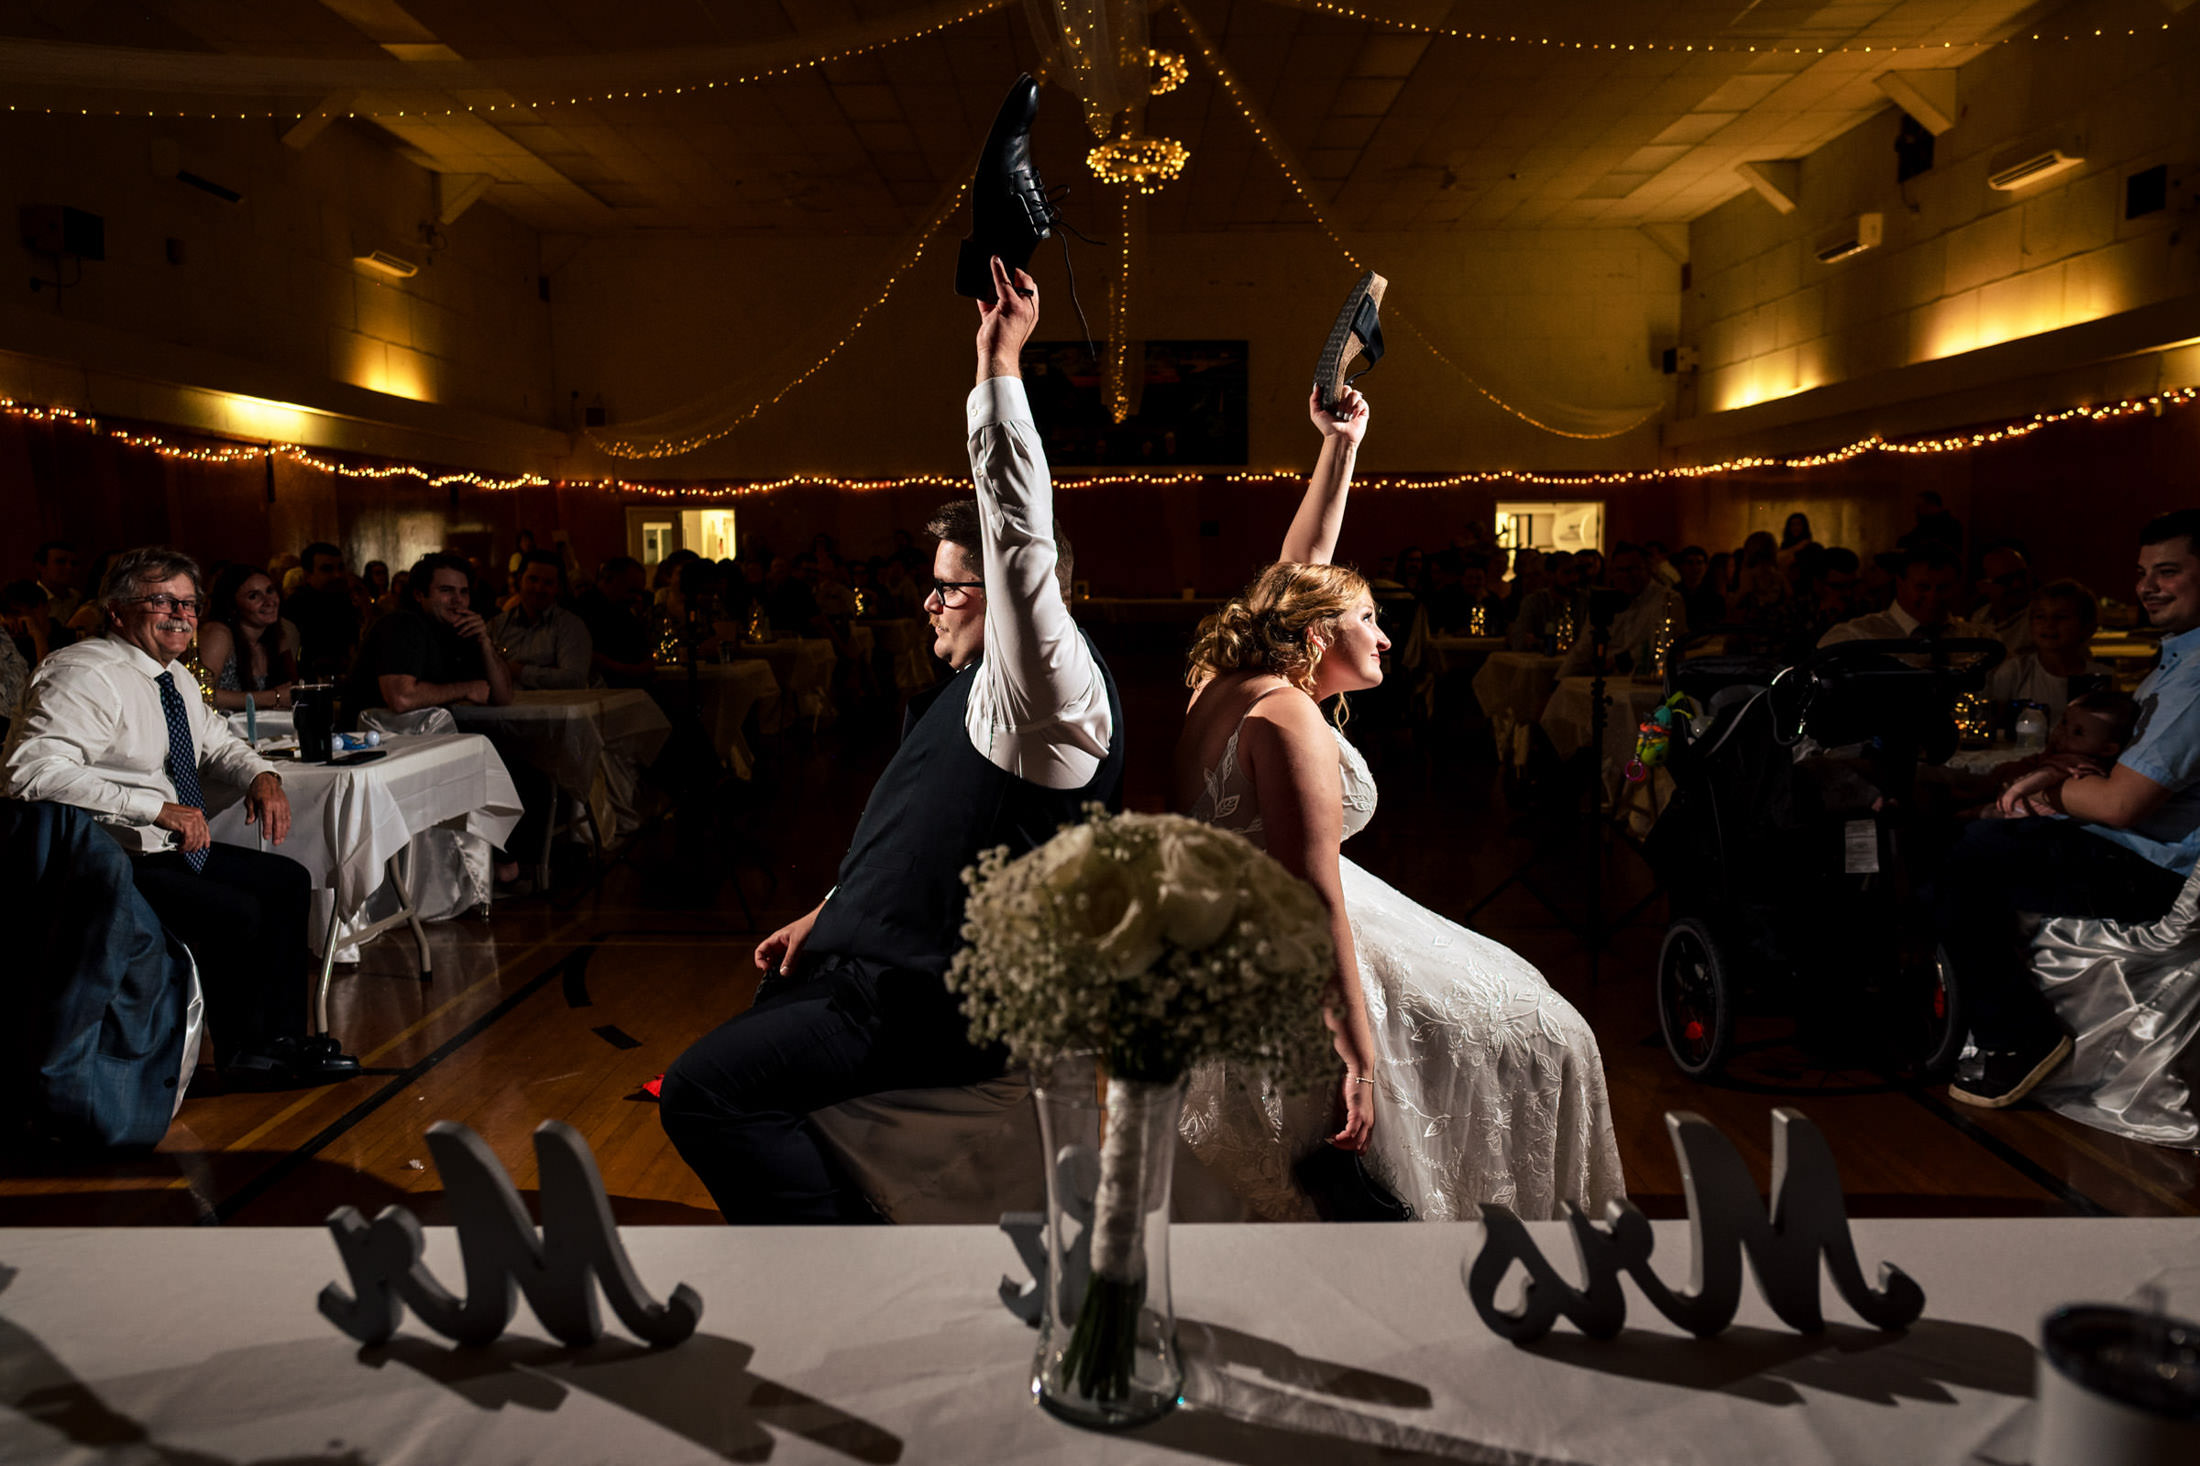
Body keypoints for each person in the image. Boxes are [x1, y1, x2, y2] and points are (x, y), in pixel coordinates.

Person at [657, 257, 1125, 1224]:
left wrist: (999, 364)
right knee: (754, 1048)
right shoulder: (966, 695)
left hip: (932, 1006)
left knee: (704, 1092)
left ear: (1011, 605)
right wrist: (828, 912)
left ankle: (849, 1264)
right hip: (871, 966)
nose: (931, 599)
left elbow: (1021, 539)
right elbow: (917, 836)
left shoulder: (1049, 697)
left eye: (955, 583)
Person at [1175, 386, 1625, 1222]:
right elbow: (1313, 896)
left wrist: (1340, 447)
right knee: (1546, 1034)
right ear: (1314, 635)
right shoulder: (1289, 717)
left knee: (1529, 1020)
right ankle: (1513, 1231)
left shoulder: (1225, 684)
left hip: (1226, 925)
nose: (1384, 636)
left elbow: (1297, 564)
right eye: (1369, 618)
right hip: (1294, 935)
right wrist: (1356, 1049)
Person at [1, 546, 358, 1088]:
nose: (181, 615)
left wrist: (262, 776)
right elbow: (29, 773)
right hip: (104, 859)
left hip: (158, 848)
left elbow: (218, 741)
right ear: (117, 611)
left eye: (189, 605)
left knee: (287, 879)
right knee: (236, 910)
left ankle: (273, 1044)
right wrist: (155, 807)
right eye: (161, 601)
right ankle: (244, 1053)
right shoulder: (84, 674)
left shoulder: (175, 677)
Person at [1935, 510, 2200, 1108]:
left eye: (2168, 572)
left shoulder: (2197, 677)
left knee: (1965, 856)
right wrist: (2061, 774)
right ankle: (1965, 1018)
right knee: (1967, 831)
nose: (2147, 586)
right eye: (2141, 572)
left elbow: (2123, 805)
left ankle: (2016, 1036)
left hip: (2154, 872)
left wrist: (2047, 792)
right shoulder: (2178, 659)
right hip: (2133, 847)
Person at [344, 552, 516, 722]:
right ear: (419, 595)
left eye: (464, 592)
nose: (458, 600)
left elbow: (503, 697)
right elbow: (401, 699)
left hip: (418, 740)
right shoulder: (402, 624)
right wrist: (466, 689)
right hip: (368, 742)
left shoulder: (458, 630)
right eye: (446, 590)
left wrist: (485, 642)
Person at [1984, 578, 2112, 723]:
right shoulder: (2015, 672)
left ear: (2087, 627)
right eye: (2040, 617)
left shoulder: (2101, 678)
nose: (2049, 624)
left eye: (2061, 617)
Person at [1817, 545, 1989, 646]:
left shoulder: (1979, 640)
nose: (1933, 597)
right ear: (1900, 584)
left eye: (1943, 588)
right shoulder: (1854, 637)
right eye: (1923, 587)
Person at [1558, 541, 1682, 678]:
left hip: (1646, 680)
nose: (1626, 575)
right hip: (1605, 679)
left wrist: (1618, 660)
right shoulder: (1605, 600)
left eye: (1632, 569)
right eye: (1620, 570)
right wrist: (1560, 678)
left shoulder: (1667, 600)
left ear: (1648, 569)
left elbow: (1658, 647)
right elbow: (1584, 647)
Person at [194, 564, 301, 713]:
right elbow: (200, 693)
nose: (269, 601)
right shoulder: (218, 633)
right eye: (254, 596)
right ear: (233, 605)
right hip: (222, 732)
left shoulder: (278, 634)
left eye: (270, 591)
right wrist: (273, 697)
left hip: (263, 731)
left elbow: (293, 691)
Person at [488, 550, 593, 689]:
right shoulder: (497, 625)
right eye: (533, 579)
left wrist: (517, 671)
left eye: (548, 583)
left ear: (558, 588)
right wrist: (550, 674)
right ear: (520, 580)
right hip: (499, 710)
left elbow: (574, 680)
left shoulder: (571, 626)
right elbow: (478, 671)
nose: (539, 588)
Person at [575, 556, 655, 688]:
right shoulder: (583, 612)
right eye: (631, 591)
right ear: (608, 580)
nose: (637, 598)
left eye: (640, 592)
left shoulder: (625, 613)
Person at [286, 541, 360, 682]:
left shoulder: (347, 600)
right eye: (327, 569)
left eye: (340, 568)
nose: (337, 575)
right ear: (308, 574)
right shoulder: (296, 606)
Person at [1507, 549, 1584, 652]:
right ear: (1550, 574)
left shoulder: (1584, 601)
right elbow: (1520, 642)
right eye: (1567, 573)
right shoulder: (1534, 602)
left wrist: (1541, 643)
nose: (1574, 578)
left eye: (1576, 572)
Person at [1974, 544, 2037, 656]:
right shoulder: (1979, 619)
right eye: (2006, 580)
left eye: (2022, 575)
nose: (2017, 585)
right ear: (1983, 587)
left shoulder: (2043, 617)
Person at [1899, 489, 1964, 560]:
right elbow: (1905, 542)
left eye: (1919, 506)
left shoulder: (1951, 525)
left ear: (1931, 505)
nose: (1915, 510)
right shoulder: (1924, 525)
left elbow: (1945, 551)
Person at [32, 540, 83, 626]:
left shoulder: (78, 598)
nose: (69, 568)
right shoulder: (28, 600)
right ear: (40, 566)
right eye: (61, 562)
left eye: (73, 563)